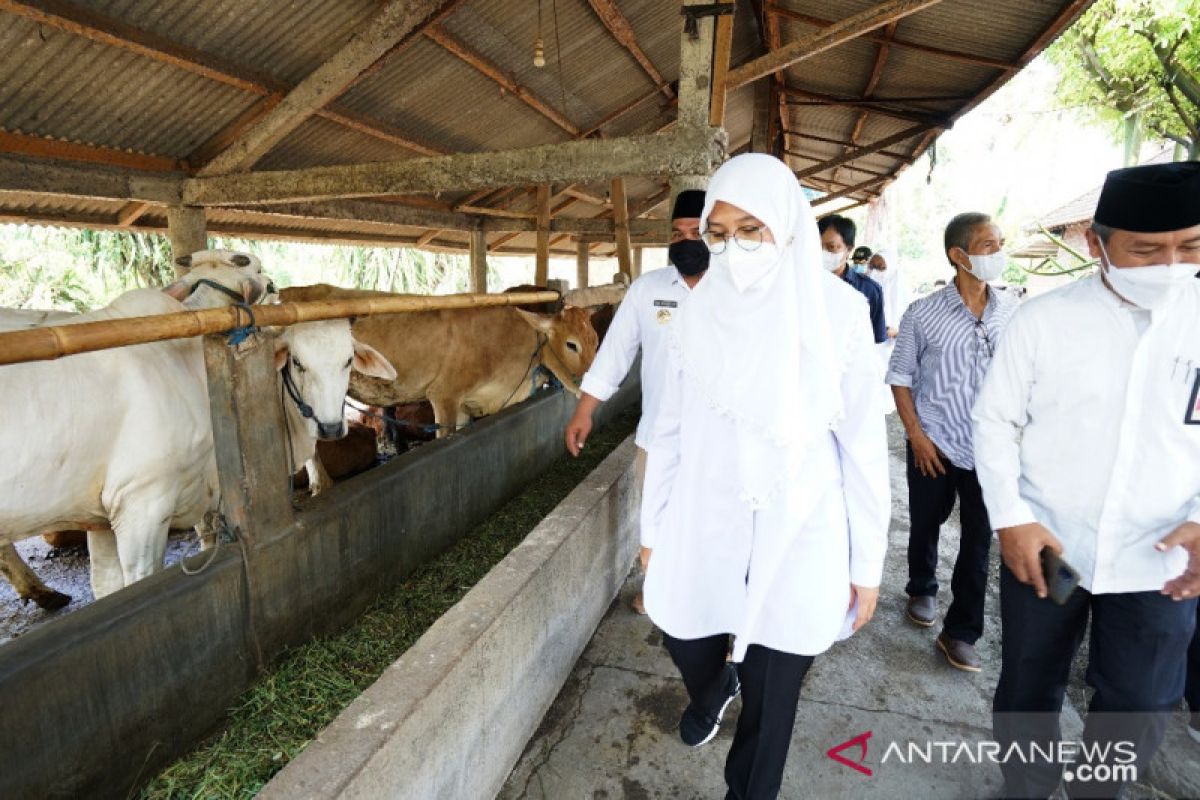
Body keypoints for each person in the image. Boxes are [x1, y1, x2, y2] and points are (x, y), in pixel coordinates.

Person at [641, 154, 889, 800]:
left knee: (776, 692)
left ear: (785, 226)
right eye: (719, 234)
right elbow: (666, 432)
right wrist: (652, 527)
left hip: (800, 529)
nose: (734, 248)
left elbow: (862, 445)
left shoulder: (838, 313)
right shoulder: (697, 312)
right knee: (682, 629)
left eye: (751, 230)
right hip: (704, 515)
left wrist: (868, 563)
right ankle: (715, 683)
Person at [973, 161, 1200, 799]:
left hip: (1160, 556)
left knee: (1141, 700)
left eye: (1191, 246)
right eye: (1148, 250)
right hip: (1051, 544)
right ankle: (1027, 787)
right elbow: (994, 423)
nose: (1172, 263)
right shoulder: (1044, 321)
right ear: (1098, 244)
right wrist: (1011, 518)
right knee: (1027, 682)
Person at [564, 189, 709, 615]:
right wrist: (584, 410)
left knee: (713, 522)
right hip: (660, 432)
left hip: (719, 436)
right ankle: (660, 590)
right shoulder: (648, 289)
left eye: (696, 232)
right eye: (678, 233)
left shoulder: (735, 291)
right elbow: (615, 354)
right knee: (656, 518)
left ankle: (712, 609)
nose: (685, 241)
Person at [886, 213, 1017, 672]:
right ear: (958, 256)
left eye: (1000, 242)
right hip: (935, 442)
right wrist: (916, 436)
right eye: (987, 245)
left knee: (979, 542)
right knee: (925, 523)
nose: (998, 251)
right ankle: (921, 588)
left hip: (989, 450)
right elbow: (900, 379)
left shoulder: (1014, 311)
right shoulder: (923, 313)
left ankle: (961, 632)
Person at [817, 215, 887, 343]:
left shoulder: (869, 290)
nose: (822, 252)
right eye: (817, 247)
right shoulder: (803, 284)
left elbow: (876, 340)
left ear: (848, 250)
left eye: (831, 247)